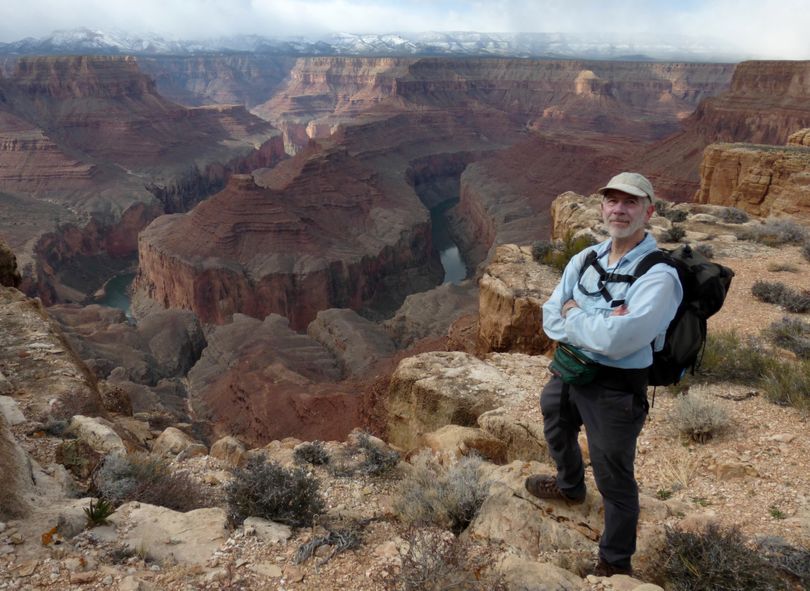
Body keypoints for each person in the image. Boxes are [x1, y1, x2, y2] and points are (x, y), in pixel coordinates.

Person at [526, 172, 682, 577]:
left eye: (630, 202)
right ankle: (570, 485)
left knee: (614, 475)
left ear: (648, 211)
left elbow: (621, 339)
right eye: (612, 201)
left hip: (616, 389)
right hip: (570, 370)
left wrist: (575, 312)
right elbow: (550, 316)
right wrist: (597, 322)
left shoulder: (659, 275)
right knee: (555, 422)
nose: (619, 209)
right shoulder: (586, 258)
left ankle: (614, 564)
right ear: (602, 208)